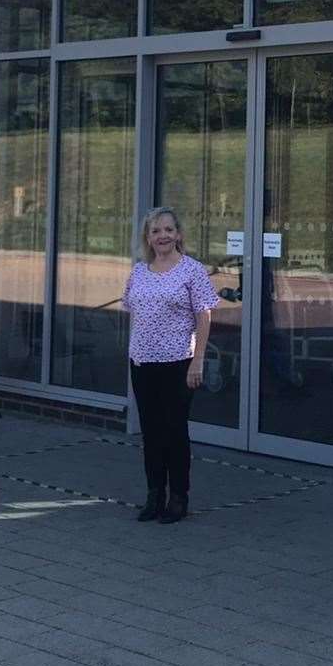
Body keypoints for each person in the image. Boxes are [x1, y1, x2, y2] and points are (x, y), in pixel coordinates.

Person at [123, 206, 216, 524]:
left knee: (174, 430)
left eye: (167, 230)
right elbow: (133, 311)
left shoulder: (192, 270)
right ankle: (154, 495)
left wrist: (198, 360)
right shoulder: (139, 271)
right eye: (155, 231)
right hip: (143, 362)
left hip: (179, 362)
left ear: (178, 235)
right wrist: (135, 349)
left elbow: (204, 316)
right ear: (147, 238)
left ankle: (179, 497)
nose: (162, 236)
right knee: (151, 431)